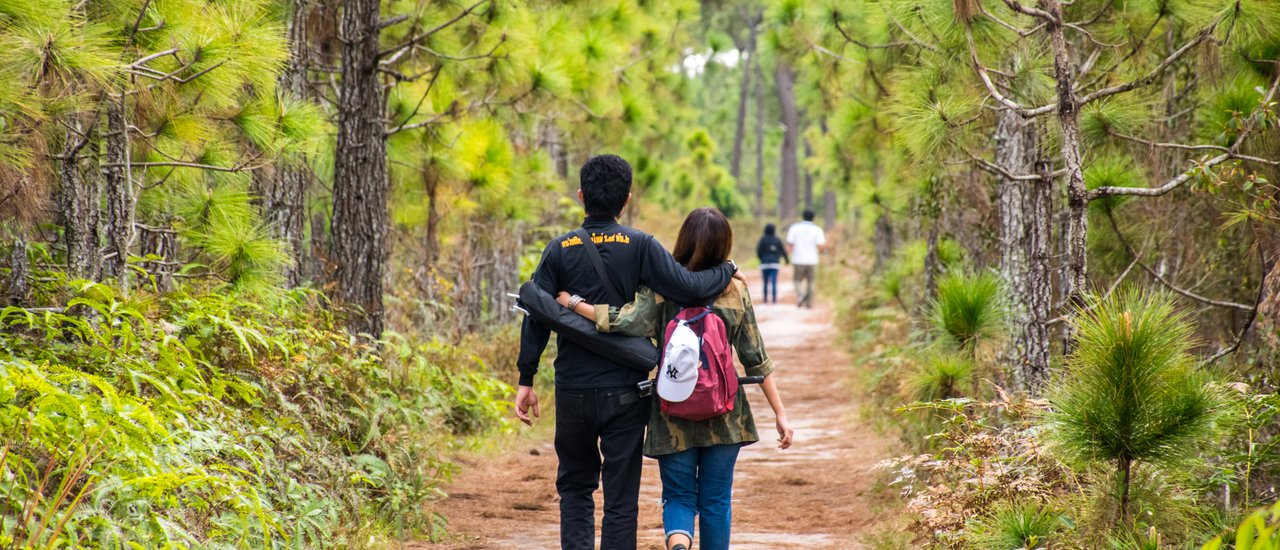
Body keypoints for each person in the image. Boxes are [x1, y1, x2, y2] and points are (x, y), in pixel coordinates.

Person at [514, 155, 740, 550]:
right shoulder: (641, 245)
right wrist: (727, 267)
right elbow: (688, 288)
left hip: (572, 390)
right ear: (627, 199)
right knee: (620, 497)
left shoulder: (558, 249)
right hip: (626, 391)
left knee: (575, 487)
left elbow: (537, 314)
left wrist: (526, 378)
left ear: (581, 196)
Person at [557, 207, 794, 550]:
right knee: (715, 501)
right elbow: (756, 359)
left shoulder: (661, 288)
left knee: (679, 496)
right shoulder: (735, 291)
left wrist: (574, 303)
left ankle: (679, 543)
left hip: (672, 408)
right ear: (724, 244)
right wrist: (780, 413)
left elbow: (624, 321)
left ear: (683, 239)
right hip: (725, 413)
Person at [786, 209, 827, 309]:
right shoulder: (818, 229)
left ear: (803, 216)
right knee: (811, 282)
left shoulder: (795, 228)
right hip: (812, 260)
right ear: (813, 217)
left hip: (798, 259)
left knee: (797, 280)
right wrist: (821, 253)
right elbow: (821, 246)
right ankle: (809, 303)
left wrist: (787, 256)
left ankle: (801, 294)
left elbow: (790, 244)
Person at [755, 223, 788, 304]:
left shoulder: (762, 239)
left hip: (764, 264)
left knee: (765, 282)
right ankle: (774, 300)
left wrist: (761, 258)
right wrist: (787, 260)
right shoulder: (777, 240)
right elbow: (783, 251)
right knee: (774, 282)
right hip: (775, 264)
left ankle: (765, 300)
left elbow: (758, 251)